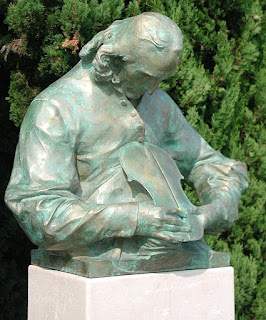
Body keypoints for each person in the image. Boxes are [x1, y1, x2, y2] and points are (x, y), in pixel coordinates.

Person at [5, 13, 247, 259]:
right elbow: (38, 210)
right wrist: (135, 219)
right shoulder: (55, 108)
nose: (153, 89)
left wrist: (211, 212)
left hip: (170, 256)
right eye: (146, 76)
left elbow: (211, 165)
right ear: (112, 60)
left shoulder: (157, 102)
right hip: (93, 261)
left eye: (161, 79)